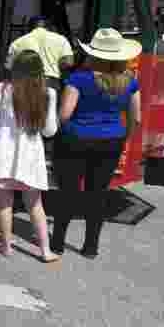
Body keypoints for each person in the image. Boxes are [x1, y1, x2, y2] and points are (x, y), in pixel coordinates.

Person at [50, 28, 142, 259]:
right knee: (97, 194)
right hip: (111, 141)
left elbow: (65, 114)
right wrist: (124, 137)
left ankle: (57, 243)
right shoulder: (131, 81)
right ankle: (90, 247)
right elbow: (136, 118)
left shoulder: (78, 79)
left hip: (75, 140)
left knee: (68, 192)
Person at [0, 51, 60, 262]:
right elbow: (49, 132)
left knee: (4, 202)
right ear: (40, 70)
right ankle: (45, 251)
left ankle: (6, 247)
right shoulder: (48, 93)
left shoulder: (0, 90)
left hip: (3, 154)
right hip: (30, 157)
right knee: (35, 205)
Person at [7, 16, 74, 95]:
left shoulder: (17, 42)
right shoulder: (61, 39)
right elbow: (69, 62)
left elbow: (9, 67)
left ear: (29, 28)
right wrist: (55, 65)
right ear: (48, 28)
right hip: (51, 84)